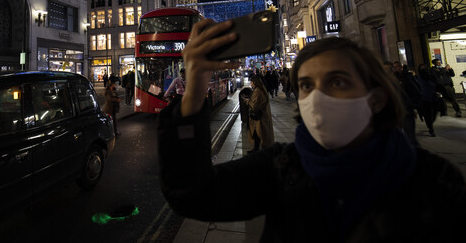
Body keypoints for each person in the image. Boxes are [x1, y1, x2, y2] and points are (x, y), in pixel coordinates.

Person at [157, 22, 465, 242]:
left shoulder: (436, 183)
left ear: (376, 98)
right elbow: (192, 195)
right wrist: (194, 90)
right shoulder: (282, 167)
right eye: (306, 85)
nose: (318, 98)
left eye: (338, 82)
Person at [242, 74, 274, 151]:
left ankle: (258, 150)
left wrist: (247, 101)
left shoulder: (257, 91)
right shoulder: (261, 89)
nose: (251, 84)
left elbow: (255, 105)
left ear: (255, 82)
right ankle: (256, 149)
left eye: (251, 82)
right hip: (261, 116)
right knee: (257, 134)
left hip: (259, 118)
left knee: (258, 134)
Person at [416, 64, 438, 137]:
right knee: (427, 115)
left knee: (433, 113)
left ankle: (430, 124)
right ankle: (431, 128)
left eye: (425, 69)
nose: (424, 71)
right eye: (422, 69)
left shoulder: (431, 77)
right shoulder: (418, 78)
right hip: (424, 99)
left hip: (433, 98)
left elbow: (437, 84)